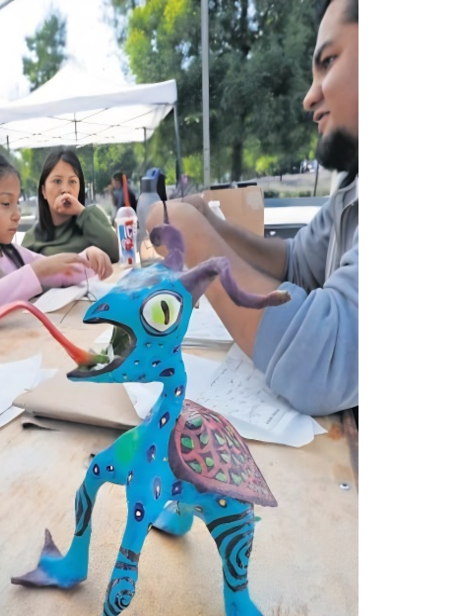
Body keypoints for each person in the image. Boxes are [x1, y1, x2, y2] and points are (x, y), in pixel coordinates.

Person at [144, 0, 358, 417]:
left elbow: (324, 359)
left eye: (328, 62)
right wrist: (211, 223)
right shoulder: (354, 186)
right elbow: (297, 263)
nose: (309, 97)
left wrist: (198, 241)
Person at [0, 148, 112, 321]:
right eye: (6, 203)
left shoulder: (13, 253)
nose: (17, 215)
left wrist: (88, 259)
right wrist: (37, 271)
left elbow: (59, 272)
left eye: (17, 203)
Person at [21, 149, 120, 263]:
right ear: (43, 191)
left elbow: (117, 252)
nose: (66, 190)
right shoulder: (33, 236)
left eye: (72, 181)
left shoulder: (92, 215)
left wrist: (81, 212)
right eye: (57, 181)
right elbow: (22, 276)